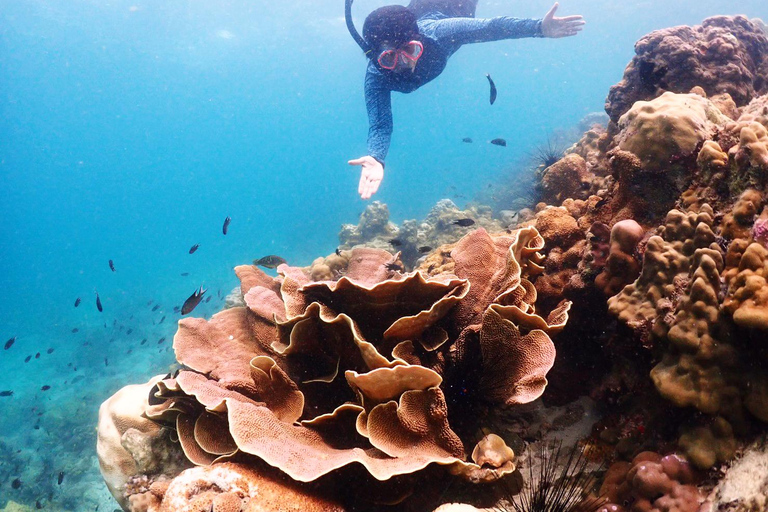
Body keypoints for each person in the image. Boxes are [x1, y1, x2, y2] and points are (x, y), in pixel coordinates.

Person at [345, 0, 585, 199]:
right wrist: (377, 157)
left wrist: (538, 28)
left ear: (420, 40)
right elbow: (380, 124)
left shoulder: (437, 32)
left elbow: (492, 27)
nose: (406, 64)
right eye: (389, 59)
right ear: (376, 57)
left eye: (411, 50)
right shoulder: (377, 75)